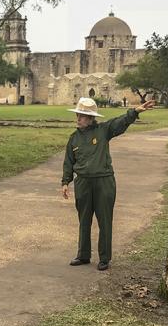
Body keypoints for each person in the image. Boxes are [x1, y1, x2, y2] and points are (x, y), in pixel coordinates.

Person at [61, 97, 155, 270]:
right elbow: (69, 162)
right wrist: (65, 182)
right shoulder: (73, 138)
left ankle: (104, 257)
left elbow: (120, 122)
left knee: (105, 220)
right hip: (83, 183)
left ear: (90, 118)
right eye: (78, 115)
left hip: (104, 181)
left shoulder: (103, 130)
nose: (78, 118)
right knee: (84, 220)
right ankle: (83, 255)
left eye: (82, 116)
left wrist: (135, 112)